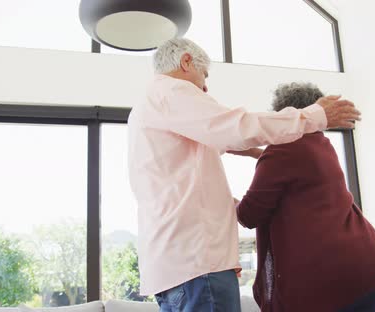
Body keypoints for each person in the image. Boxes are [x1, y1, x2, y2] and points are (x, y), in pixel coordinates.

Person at [127, 38, 361, 312]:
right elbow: (235, 127)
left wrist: (257, 154)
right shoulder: (172, 92)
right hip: (198, 265)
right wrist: (314, 116)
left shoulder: (148, 106)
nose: (205, 86)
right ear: (186, 61)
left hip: (175, 268)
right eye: (205, 75)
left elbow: (211, 140)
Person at [235, 82, 375, 312]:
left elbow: (248, 215)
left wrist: (221, 198)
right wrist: (261, 155)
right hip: (368, 268)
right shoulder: (321, 144)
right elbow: (293, 177)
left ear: (285, 116)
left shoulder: (281, 151)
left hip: (329, 283)